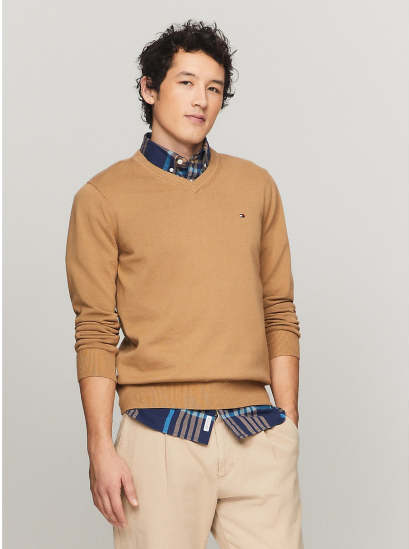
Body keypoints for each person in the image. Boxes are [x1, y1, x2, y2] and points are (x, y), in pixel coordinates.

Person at [65, 19, 304, 549]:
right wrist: (100, 447)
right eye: (187, 82)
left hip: (256, 432)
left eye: (214, 88)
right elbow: (96, 330)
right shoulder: (102, 198)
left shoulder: (256, 186)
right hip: (159, 436)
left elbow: (279, 309)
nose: (201, 100)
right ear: (150, 89)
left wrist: (288, 422)